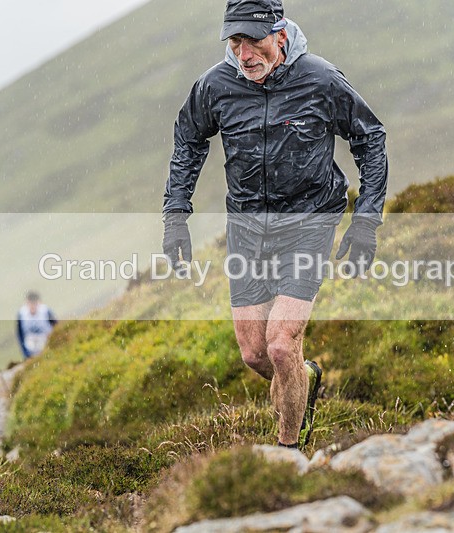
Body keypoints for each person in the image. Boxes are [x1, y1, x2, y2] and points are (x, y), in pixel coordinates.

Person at [162, 0, 388, 449]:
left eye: (253, 40)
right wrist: (175, 217)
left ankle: (289, 452)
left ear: (280, 35)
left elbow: (370, 138)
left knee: (281, 344)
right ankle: (304, 377)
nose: (244, 54)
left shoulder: (321, 80)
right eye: (235, 41)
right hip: (248, 228)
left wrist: (366, 221)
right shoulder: (215, 86)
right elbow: (188, 140)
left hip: (309, 222)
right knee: (255, 353)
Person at [16, 291, 58, 359]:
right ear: (27, 303)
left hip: (46, 346)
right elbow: (20, 335)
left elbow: (57, 326)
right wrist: (25, 353)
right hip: (30, 349)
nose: (33, 306)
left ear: (39, 302)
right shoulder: (21, 314)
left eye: (35, 303)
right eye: (30, 303)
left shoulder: (46, 311)